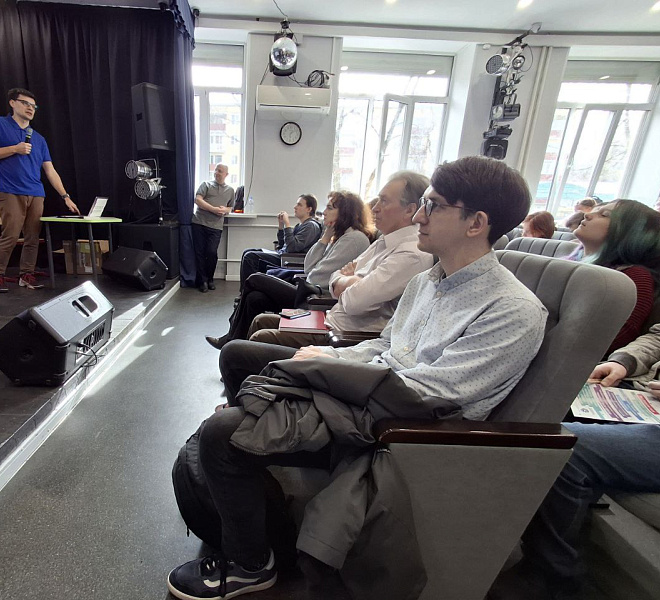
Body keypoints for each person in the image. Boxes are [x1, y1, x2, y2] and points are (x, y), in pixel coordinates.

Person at [166, 156, 548, 600]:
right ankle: (255, 466)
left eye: (434, 206)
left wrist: (331, 372)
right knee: (244, 357)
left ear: (476, 223)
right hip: (370, 394)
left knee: (223, 433)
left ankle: (251, 565)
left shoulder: (512, 310)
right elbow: (385, 345)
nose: (419, 217)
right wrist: (328, 357)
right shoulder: (429, 280)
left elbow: (433, 395)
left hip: (403, 428)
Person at [488, 324, 660, 600]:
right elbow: (659, 336)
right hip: (645, 396)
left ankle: (551, 579)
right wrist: (624, 362)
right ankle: (485, 537)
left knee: (564, 445)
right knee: (542, 405)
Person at [246, 171, 434, 348]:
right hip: (330, 315)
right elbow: (321, 272)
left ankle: (236, 347)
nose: (375, 208)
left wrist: (347, 279)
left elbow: (351, 300)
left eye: (383, 201)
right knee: (259, 318)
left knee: (256, 325)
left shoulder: (405, 252)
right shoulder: (381, 241)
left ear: (409, 210)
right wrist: (349, 277)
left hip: (341, 332)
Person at [205, 191, 373, 350]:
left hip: (315, 297)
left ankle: (231, 338)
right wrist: (325, 238)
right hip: (309, 290)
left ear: (344, 212)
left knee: (255, 278)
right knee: (254, 298)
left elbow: (315, 277)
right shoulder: (339, 236)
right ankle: (237, 345)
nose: (324, 212)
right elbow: (309, 267)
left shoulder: (353, 239)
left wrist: (318, 259)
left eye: (330, 208)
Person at [0, 87, 79, 293]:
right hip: (10, 190)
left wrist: (65, 196)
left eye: (34, 106)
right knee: (10, 235)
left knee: (32, 237)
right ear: (12, 103)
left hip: (36, 193)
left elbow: (50, 170)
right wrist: (15, 149)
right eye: (25, 103)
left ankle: (26, 274)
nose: (30, 108)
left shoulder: (39, 139)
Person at [567, 199, 660, 354]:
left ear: (630, 233)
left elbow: (608, 340)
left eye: (604, 215)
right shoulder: (570, 260)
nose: (588, 215)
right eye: (595, 210)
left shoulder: (634, 277)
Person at [238, 195, 322, 290]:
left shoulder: (311, 226)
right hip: (284, 255)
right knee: (247, 251)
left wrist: (287, 224)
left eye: (299, 205)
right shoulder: (301, 225)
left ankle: (246, 291)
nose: (295, 207)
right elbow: (283, 244)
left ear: (309, 209)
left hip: (289, 259)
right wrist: (281, 226)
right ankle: (245, 292)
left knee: (250, 257)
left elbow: (292, 247)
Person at [192, 164, 235, 293]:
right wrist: (214, 209)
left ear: (226, 174)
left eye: (220, 171)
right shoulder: (206, 185)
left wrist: (225, 210)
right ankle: (203, 281)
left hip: (216, 226)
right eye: (216, 170)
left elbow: (230, 207)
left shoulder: (230, 190)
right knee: (199, 253)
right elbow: (198, 200)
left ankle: (210, 278)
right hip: (199, 223)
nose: (217, 173)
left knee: (211, 252)